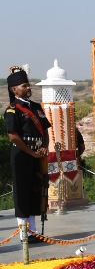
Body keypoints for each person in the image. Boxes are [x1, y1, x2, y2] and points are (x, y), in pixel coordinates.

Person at [4, 66, 51, 243]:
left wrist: (44, 148)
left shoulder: (37, 107)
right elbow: (13, 136)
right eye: (24, 86)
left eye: (28, 84)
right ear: (14, 90)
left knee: (36, 190)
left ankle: (34, 232)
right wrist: (31, 152)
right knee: (22, 192)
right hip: (22, 154)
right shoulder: (12, 110)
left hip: (38, 154)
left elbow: (45, 131)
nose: (28, 87)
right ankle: (25, 234)